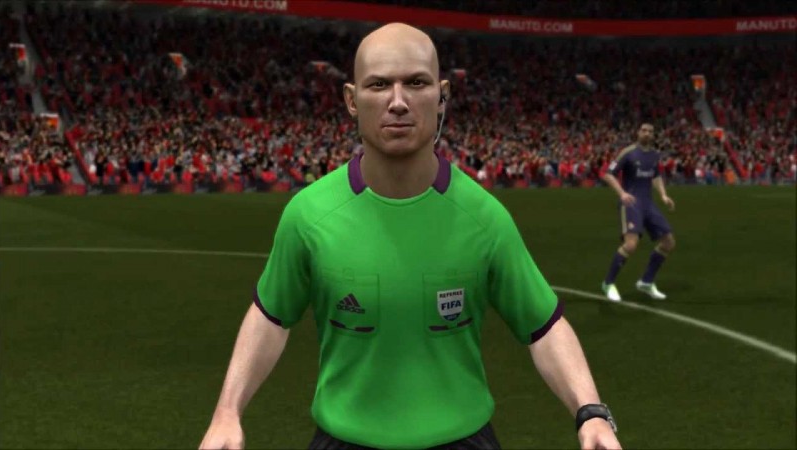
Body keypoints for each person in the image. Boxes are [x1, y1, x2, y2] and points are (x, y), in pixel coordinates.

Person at [199, 23, 621, 450]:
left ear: (442, 96)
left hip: (463, 441)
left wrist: (590, 412)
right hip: (343, 440)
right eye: (379, 85)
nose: (398, 102)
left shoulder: (484, 218)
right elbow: (271, 316)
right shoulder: (308, 215)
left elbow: (543, 325)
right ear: (351, 100)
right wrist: (227, 412)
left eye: (416, 83)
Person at [601, 123, 676, 302]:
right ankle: (608, 283)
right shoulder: (628, 153)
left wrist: (663, 195)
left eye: (650, 131)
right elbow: (608, 174)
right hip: (631, 203)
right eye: (644, 130)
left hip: (648, 203)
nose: (647, 133)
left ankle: (646, 282)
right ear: (638, 133)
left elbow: (655, 176)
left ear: (653, 135)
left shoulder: (654, 155)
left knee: (668, 242)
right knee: (630, 245)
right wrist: (622, 193)